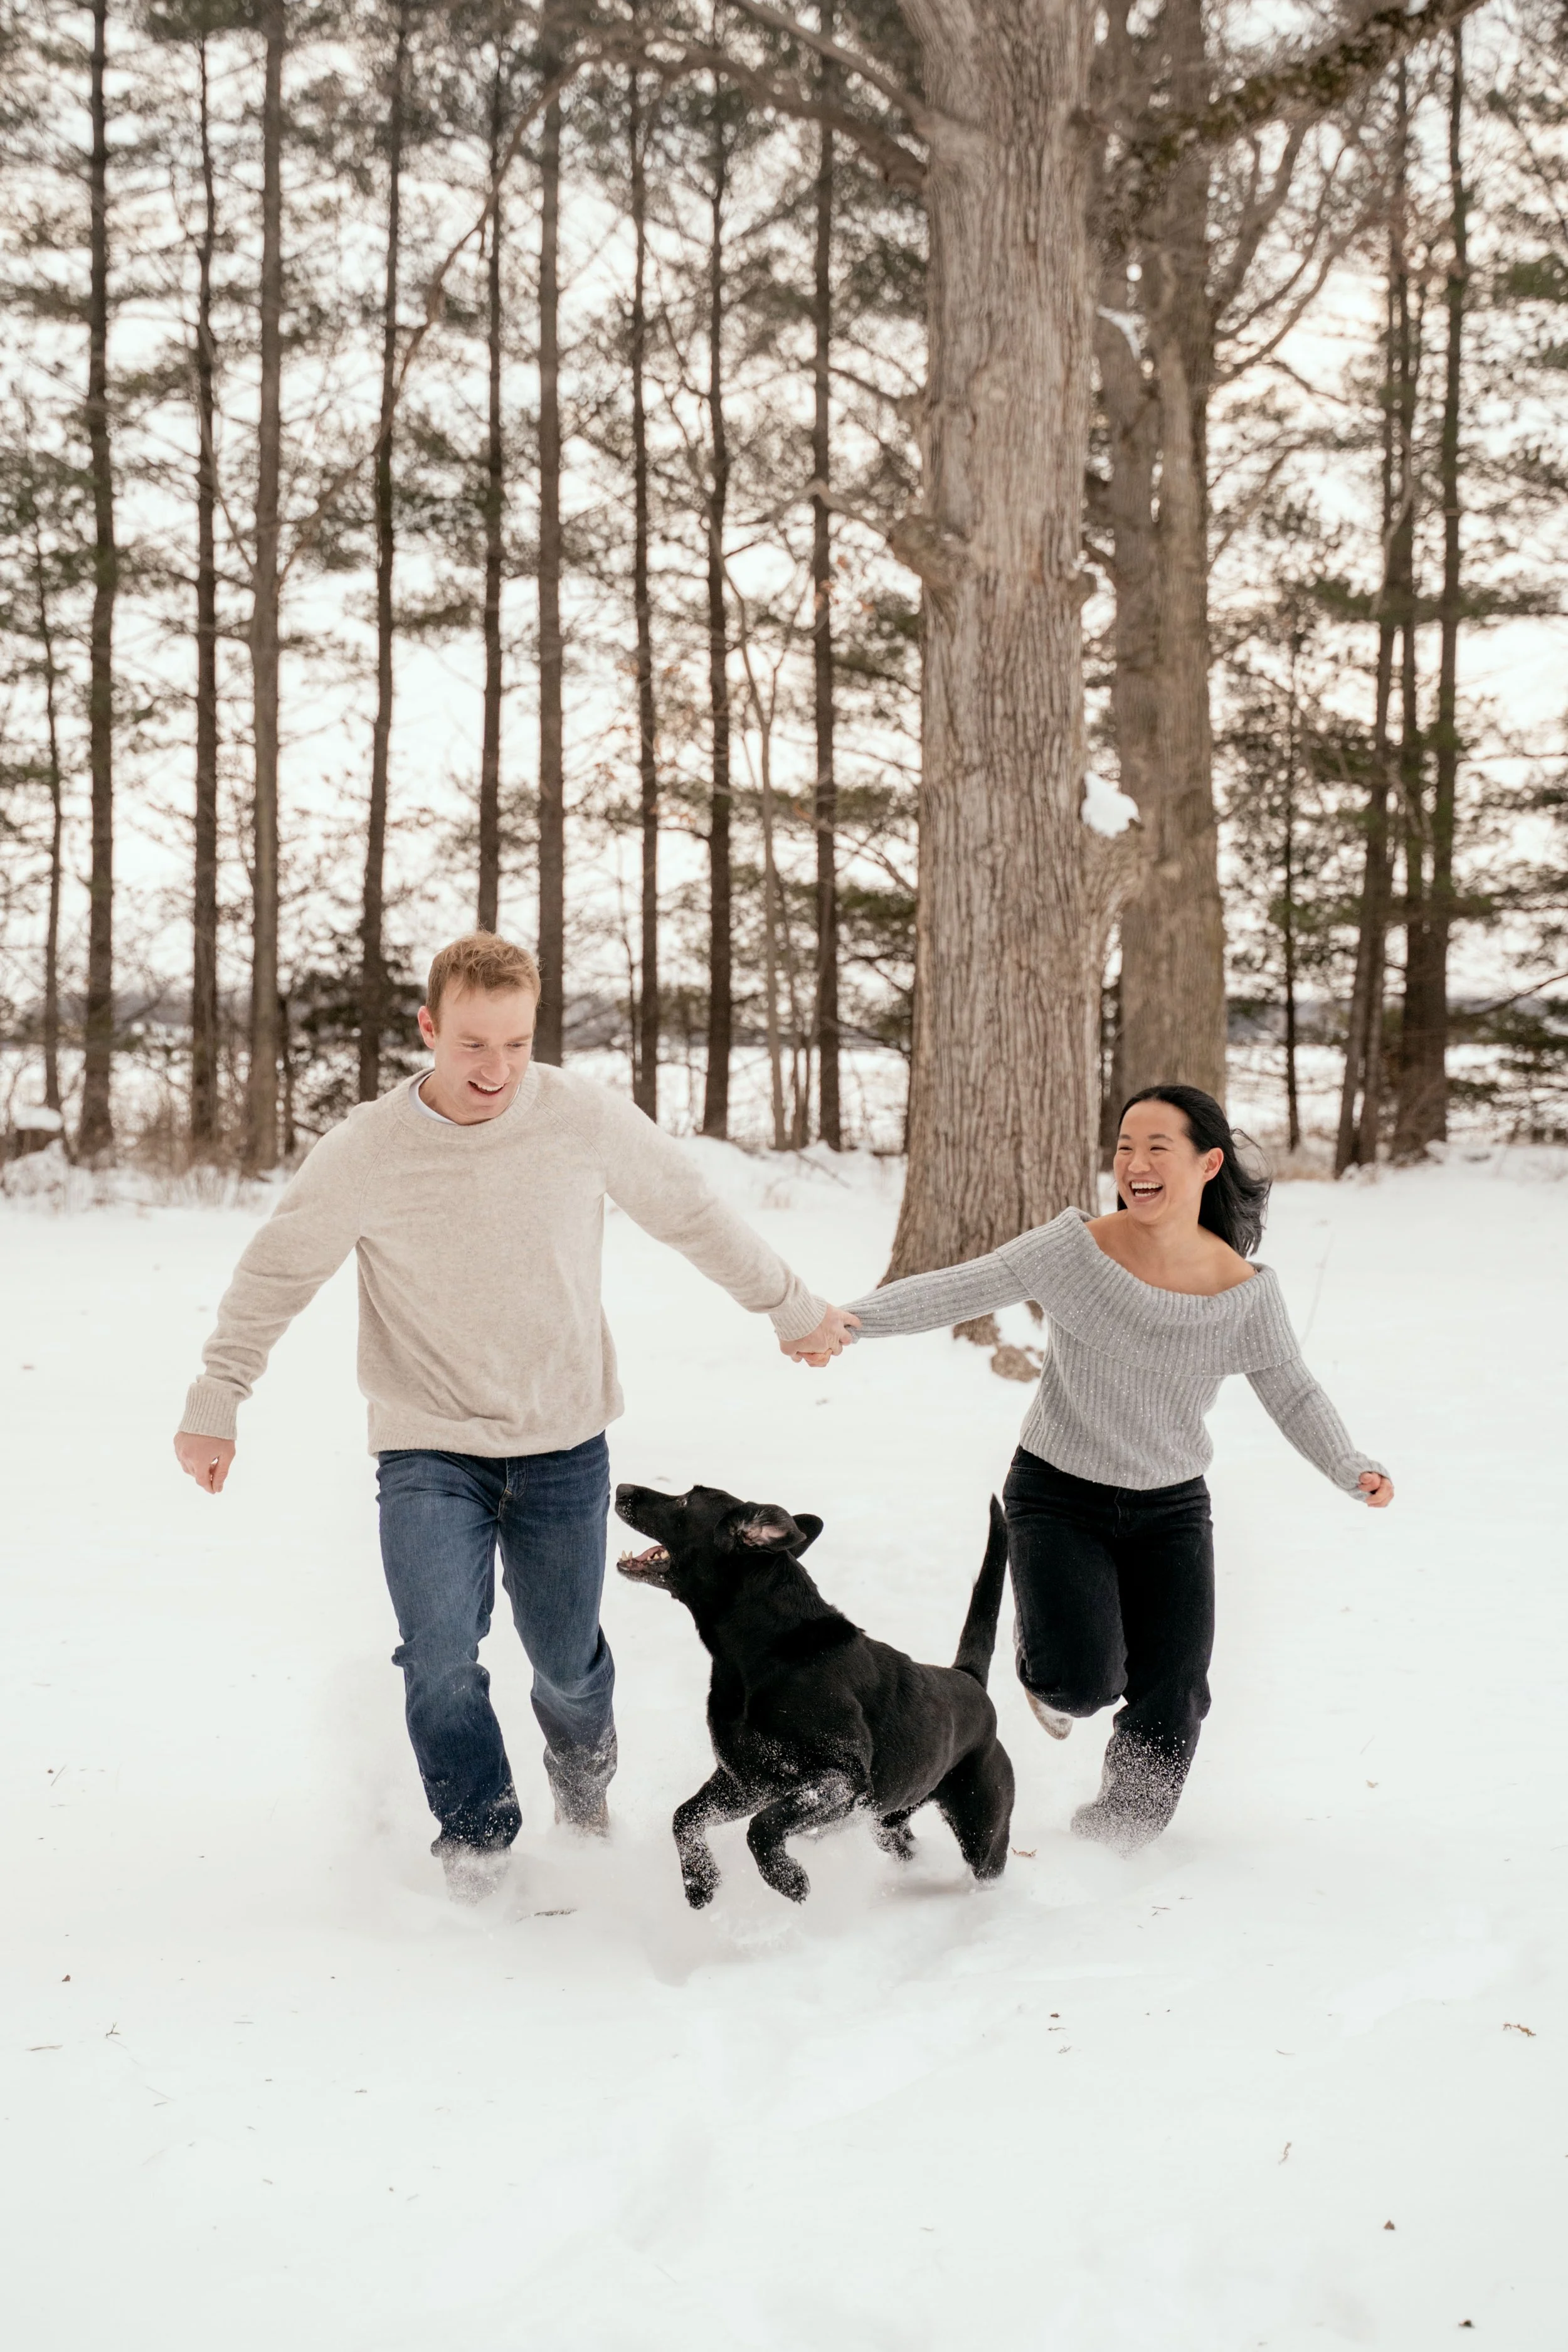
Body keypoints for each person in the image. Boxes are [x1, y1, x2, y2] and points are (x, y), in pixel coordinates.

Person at [173, 931, 858, 1898]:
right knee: (439, 1654)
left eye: (516, 1043)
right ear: (428, 1028)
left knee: (567, 1666)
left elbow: (693, 1212)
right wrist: (218, 1396)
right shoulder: (368, 1149)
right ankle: (477, 1842)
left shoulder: (582, 1117)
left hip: (563, 1444)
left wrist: (790, 1306)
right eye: (471, 1044)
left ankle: (584, 1793)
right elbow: (276, 1270)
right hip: (428, 1445)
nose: (495, 1069)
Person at [825, 1086, 1393, 1852]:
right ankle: (1044, 1662)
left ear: (1208, 1164)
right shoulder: (1075, 1250)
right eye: (1125, 1146)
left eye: (1158, 1147)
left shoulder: (1242, 1292)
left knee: (1175, 1692)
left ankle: (1118, 1837)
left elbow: (1292, 1389)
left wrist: (1347, 1464)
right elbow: (965, 1284)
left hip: (1172, 1508)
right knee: (1081, 1682)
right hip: (1058, 1491)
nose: (1135, 1163)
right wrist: (849, 1322)